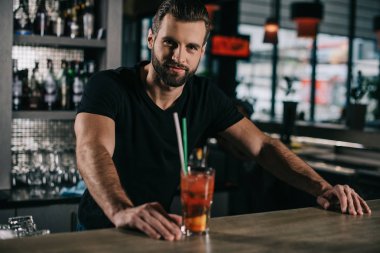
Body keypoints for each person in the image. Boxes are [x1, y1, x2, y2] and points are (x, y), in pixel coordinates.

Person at [74, 0, 371, 241]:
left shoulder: (205, 96)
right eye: (170, 43)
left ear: (201, 52)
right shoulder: (109, 86)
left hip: (157, 230)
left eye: (191, 48)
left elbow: (263, 147)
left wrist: (323, 188)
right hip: (101, 227)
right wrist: (121, 211)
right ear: (151, 39)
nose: (179, 56)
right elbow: (93, 149)